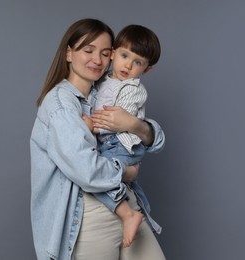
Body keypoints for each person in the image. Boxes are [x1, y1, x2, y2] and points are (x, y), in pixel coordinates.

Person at [30, 18, 166, 260]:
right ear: (69, 53)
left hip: (128, 204)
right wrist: (126, 172)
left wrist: (135, 125)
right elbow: (87, 170)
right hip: (89, 215)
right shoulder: (61, 106)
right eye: (88, 50)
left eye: (105, 53)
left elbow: (155, 140)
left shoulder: (105, 90)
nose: (98, 60)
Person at [82, 24, 161, 248]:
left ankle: (129, 215)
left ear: (146, 70)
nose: (128, 65)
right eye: (125, 56)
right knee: (104, 175)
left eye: (138, 62)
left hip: (121, 144)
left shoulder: (133, 89)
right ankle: (137, 210)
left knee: (99, 175)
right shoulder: (104, 80)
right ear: (114, 53)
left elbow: (116, 120)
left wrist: (92, 126)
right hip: (109, 143)